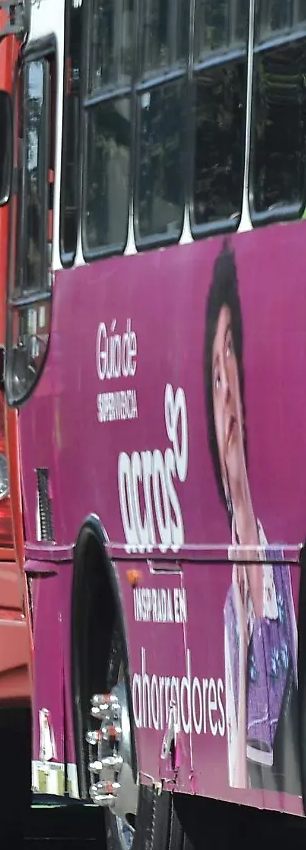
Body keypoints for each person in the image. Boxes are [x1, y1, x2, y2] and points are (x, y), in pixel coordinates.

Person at [207, 243, 301, 793]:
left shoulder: (283, 563)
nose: (227, 397)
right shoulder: (230, 606)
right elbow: (237, 772)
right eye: (215, 379)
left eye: (230, 360)